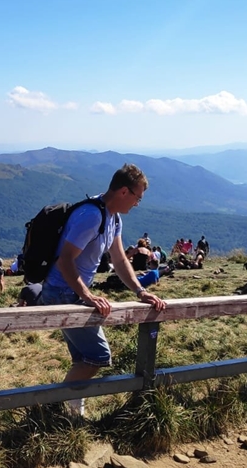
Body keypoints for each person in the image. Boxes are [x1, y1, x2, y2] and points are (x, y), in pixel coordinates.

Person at [38, 163, 166, 416]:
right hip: (64, 292)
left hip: (72, 290)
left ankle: (71, 412)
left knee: (83, 358)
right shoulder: (92, 216)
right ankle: (53, 405)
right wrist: (86, 295)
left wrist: (140, 291)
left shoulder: (113, 217)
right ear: (123, 192)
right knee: (98, 356)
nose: (138, 203)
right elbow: (64, 260)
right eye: (138, 197)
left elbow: (119, 260)